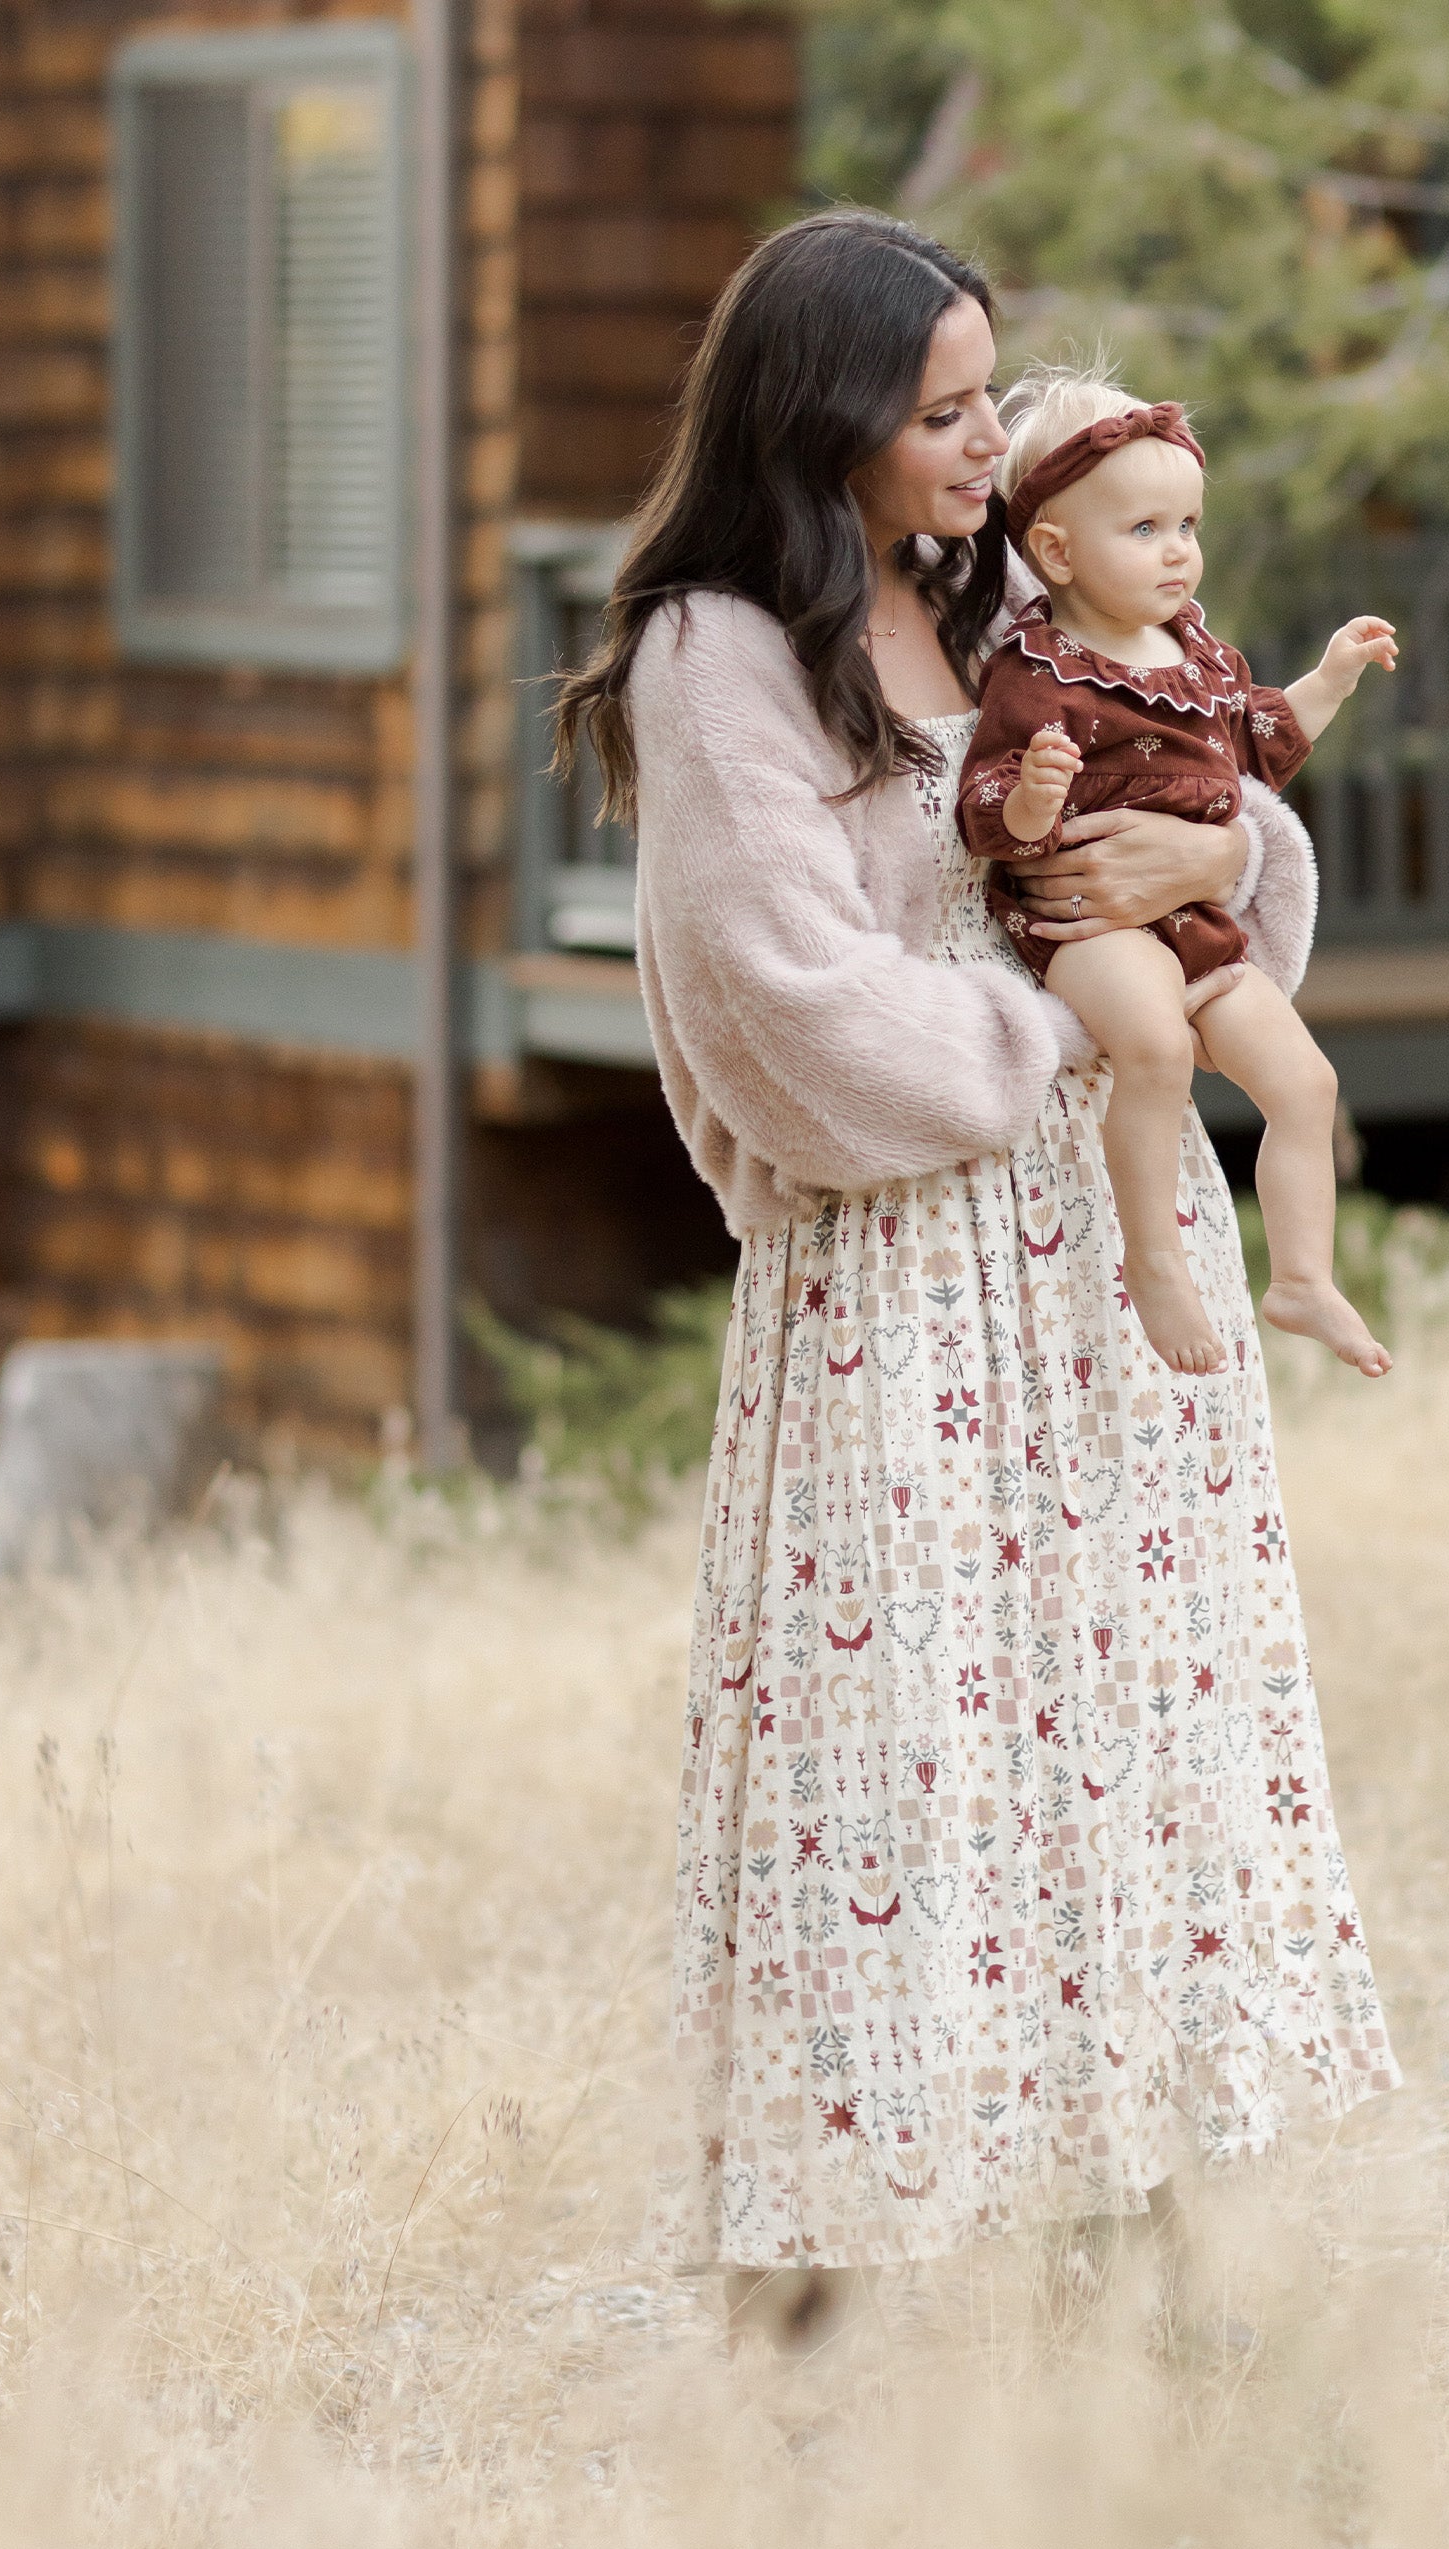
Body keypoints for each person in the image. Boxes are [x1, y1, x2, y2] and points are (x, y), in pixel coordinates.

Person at [554, 208, 1400, 2350]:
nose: (978, 442)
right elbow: (800, 1010)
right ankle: (808, 2321)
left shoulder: (1012, 593)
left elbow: (1240, 838)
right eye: (939, 412)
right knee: (896, 1746)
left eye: (980, 400)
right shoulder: (718, 656)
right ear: (823, 418)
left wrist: (1202, 865)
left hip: (1118, 1266)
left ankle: (1139, 2273)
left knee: (1137, 1716)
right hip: (900, 1284)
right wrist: (1062, 1024)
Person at [959, 365, 1395, 1379]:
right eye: (1145, 530)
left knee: (1304, 1080)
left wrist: (1326, 678)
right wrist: (1030, 795)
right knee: (1151, 1046)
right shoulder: (1035, 670)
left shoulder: (1193, 650)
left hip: (1194, 916)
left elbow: (1254, 750)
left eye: (1187, 526)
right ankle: (1151, 1259)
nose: (1178, 553)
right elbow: (981, 809)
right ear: (1056, 551)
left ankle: (1299, 1277)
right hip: (1093, 926)